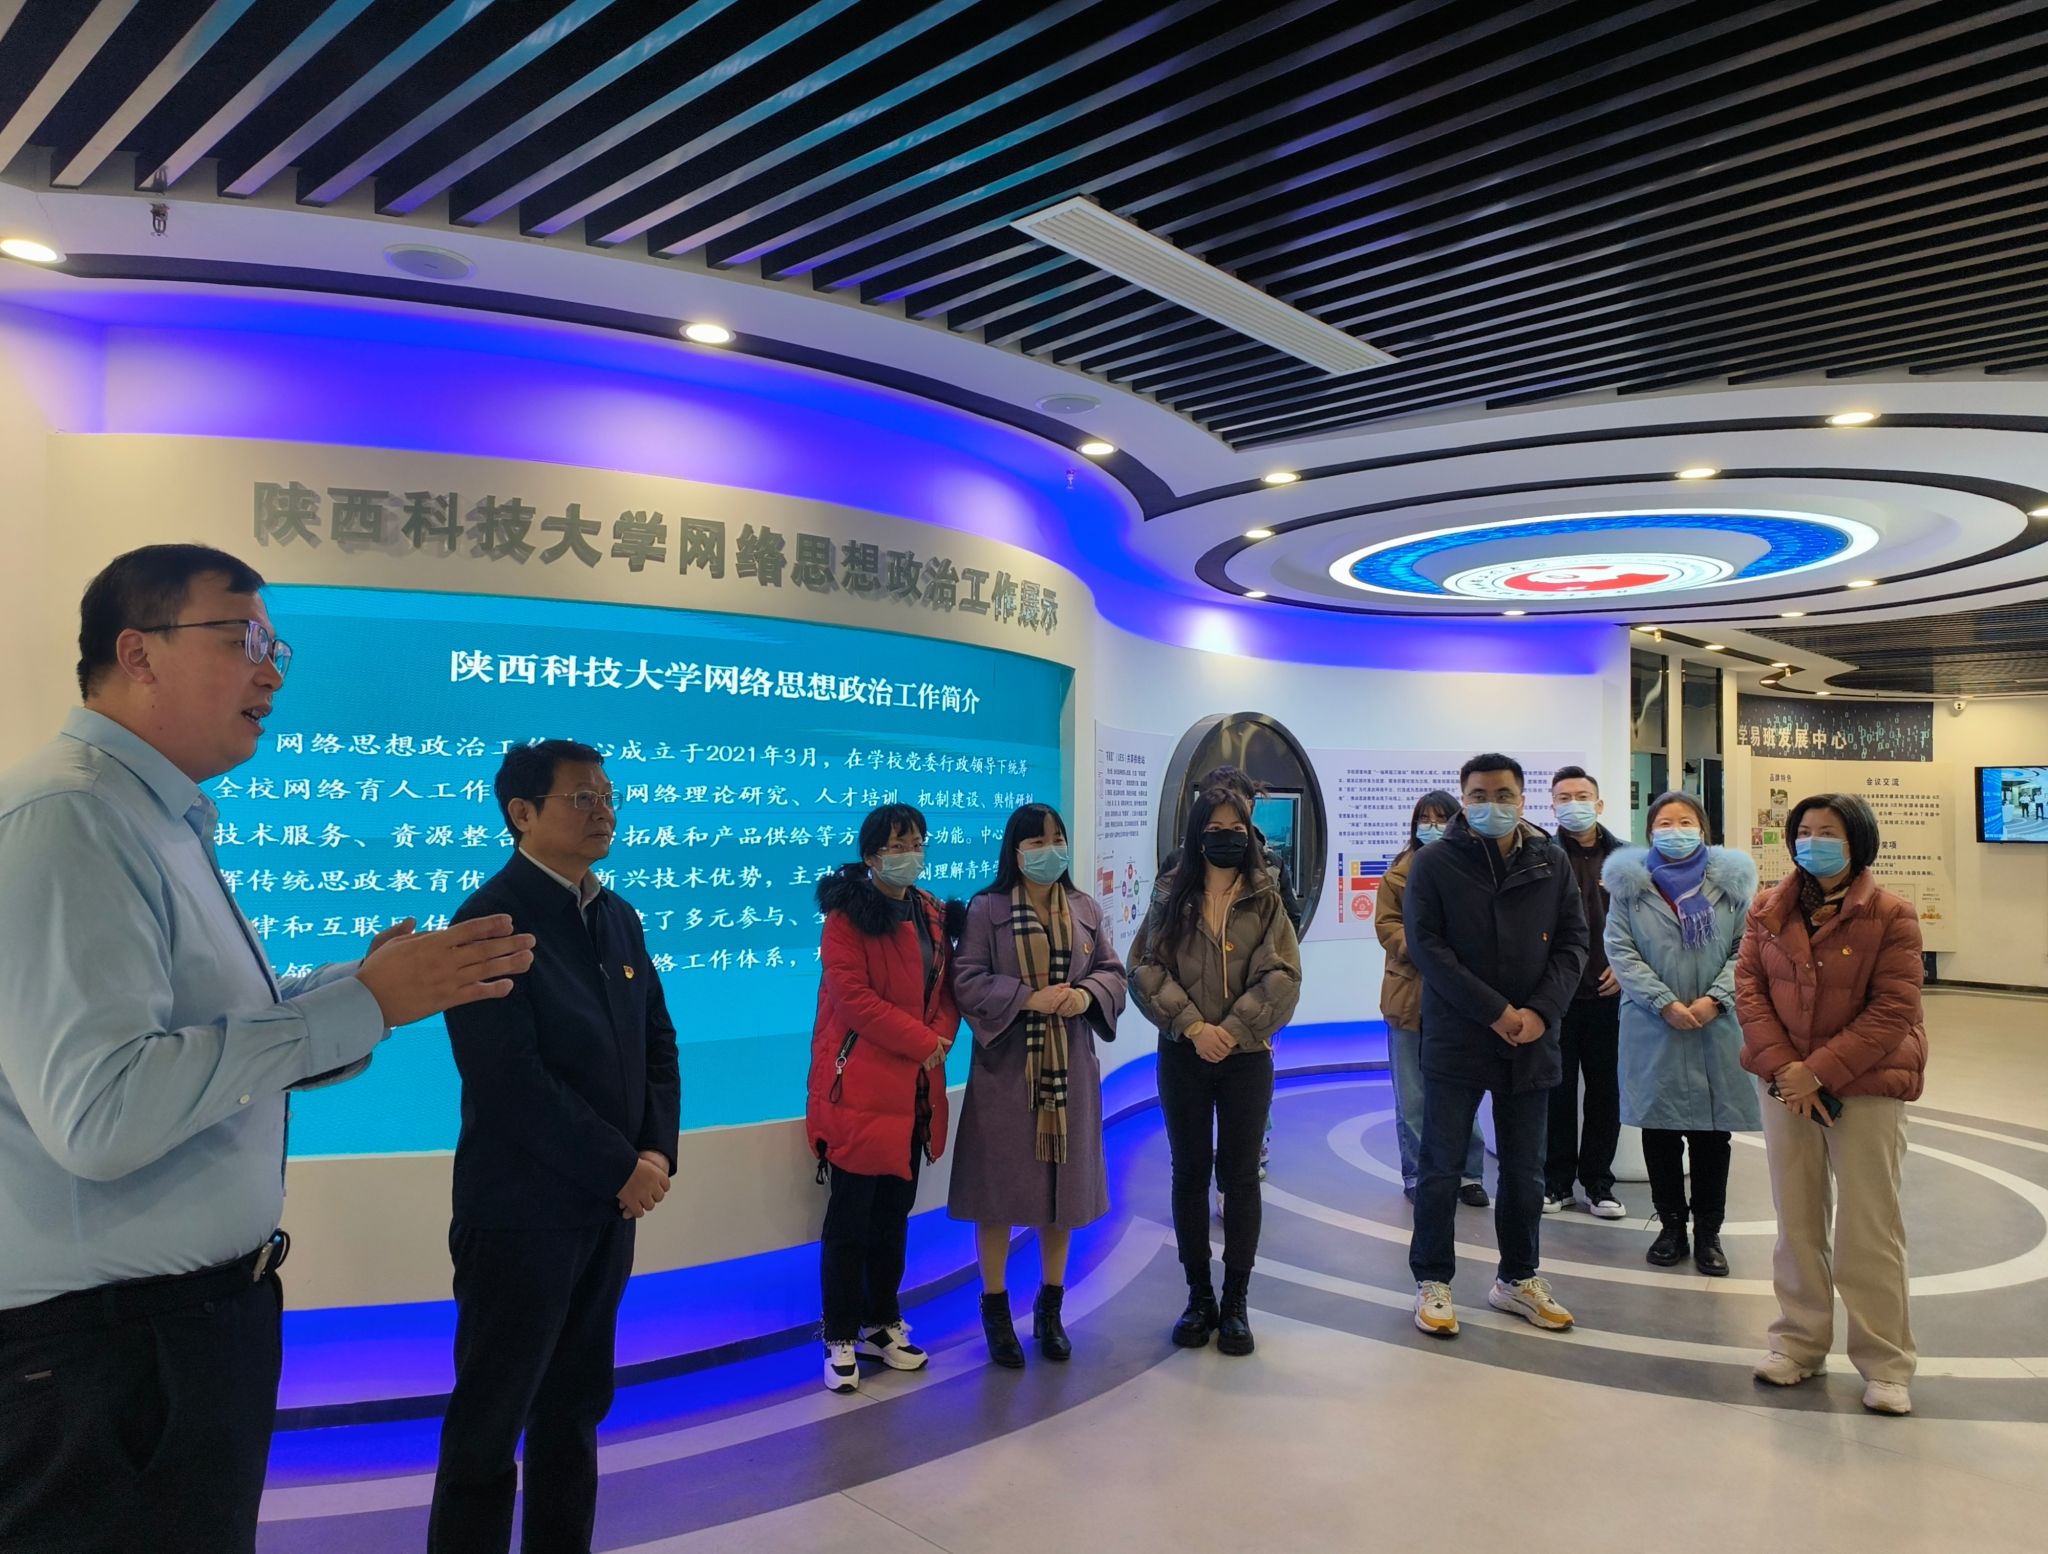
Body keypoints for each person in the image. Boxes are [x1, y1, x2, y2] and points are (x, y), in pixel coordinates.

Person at [0, 544, 535, 1554]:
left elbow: (199, 1029)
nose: (272, 673)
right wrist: (355, 1007)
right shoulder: (71, 818)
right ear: (138, 653)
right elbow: (102, 1113)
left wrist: (361, 993)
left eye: (273, 648)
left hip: (178, 1336)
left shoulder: (152, 818)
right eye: (244, 640)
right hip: (107, 1360)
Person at [427, 741, 681, 1554]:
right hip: (520, 1216)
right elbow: (510, 1083)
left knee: (574, 1412)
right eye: (581, 797)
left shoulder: (618, 915)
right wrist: (620, 1167)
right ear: (523, 813)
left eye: (607, 795)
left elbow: (658, 1044)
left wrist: (656, 1154)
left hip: (608, 1212)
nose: (603, 810)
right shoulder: (487, 921)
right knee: (490, 1424)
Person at [1737, 793, 1927, 1416]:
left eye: (1829, 832)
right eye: (1805, 831)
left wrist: (1816, 1072)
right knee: (1795, 1221)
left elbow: (1894, 1009)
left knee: (1870, 1227)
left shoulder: (1892, 914)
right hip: (1785, 1084)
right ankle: (1798, 1342)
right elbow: (1749, 989)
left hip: (1864, 1086)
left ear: (1858, 842)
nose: (1813, 842)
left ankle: (1885, 1363)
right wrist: (1786, 1069)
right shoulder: (1767, 908)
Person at [1404, 753, 1588, 1339]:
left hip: (1531, 1038)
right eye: (1479, 795)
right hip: (1459, 1034)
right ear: (1464, 800)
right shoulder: (1434, 862)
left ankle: (1518, 1278)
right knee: (1441, 1168)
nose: (1492, 805)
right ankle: (1433, 1281)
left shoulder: (1551, 860)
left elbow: (1574, 942)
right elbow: (1428, 948)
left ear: (1522, 799)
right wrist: (1495, 1011)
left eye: (1503, 794)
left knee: (1525, 1170)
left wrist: (1539, 1012)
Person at [950, 803, 1128, 1366]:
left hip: (1070, 1068)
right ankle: (996, 1309)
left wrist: (1084, 995)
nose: (1050, 850)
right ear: (1016, 850)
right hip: (1007, 1073)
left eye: (1057, 838)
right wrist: (1029, 998)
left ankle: (1051, 1309)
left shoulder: (1085, 907)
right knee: (997, 1196)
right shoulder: (987, 908)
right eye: (1037, 841)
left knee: (1062, 1194)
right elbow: (966, 980)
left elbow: (1113, 973)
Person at [1131, 781, 1301, 1357]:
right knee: (1188, 1173)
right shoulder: (1170, 894)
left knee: (1240, 1176)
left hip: (1245, 1057)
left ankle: (1236, 1301)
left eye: (1236, 829)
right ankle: (1198, 1295)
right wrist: (1194, 1028)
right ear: (1196, 834)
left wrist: (1231, 1030)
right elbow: (1145, 966)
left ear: (1249, 833)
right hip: (1184, 1053)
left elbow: (1283, 974)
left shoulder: (1266, 893)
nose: (1226, 839)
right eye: (1214, 830)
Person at [807, 803, 965, 1394]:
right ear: (871, 854)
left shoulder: (930, 911)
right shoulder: (846, 916)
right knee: (850, 1223)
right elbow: (853, 998)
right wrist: (923, 1042)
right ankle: (839, 1334)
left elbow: (946, 989)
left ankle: (881, 1322)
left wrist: (940, 1037)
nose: (910, 854)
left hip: (914, 1091)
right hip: (859, 1090)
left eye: (917, 842)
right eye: (898, 845)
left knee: (893, 1218)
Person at [1601, 792, 1760, 1277]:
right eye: (1665, 823)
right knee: (1661, 1132)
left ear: (1703, 829)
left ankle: (1709, 1233)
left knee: (1713, 1136)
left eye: (1685, 822)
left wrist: (1716, 999)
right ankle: (1671, 1226)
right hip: (1654, 1025)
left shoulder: (1730, 886)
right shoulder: (1630, 889)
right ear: (1650, 831)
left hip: (1717, 1022)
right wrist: (1663, 1002)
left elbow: (1748, 948)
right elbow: (1620, 950)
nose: (1675, 830)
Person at [1375, 791, 1488, 1207]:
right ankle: (1418, 1174)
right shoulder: (1397, 875)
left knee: (1463, 1092)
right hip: (1407, 997)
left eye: (1441, 818)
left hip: (1460, 999)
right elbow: (1387, 926)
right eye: (1425, 819)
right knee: (1413, 1098)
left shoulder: (1473, 869)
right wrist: (1425, 947)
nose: (1433, 826)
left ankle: (1468, 1174)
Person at [1544, 766, 1627, 1218]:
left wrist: (1626, 968)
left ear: (1599, 804)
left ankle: (1599, 1183)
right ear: (1552, 805)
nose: (1573, 804)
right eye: (1564, 797)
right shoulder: (1541, 854)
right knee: (1556, 1092)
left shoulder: (1627, 859)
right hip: (1557, 996)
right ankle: (1556, 1183)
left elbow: (1644, 924)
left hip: (1610, 995)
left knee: (1604, 1092)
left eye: (1581, 796)